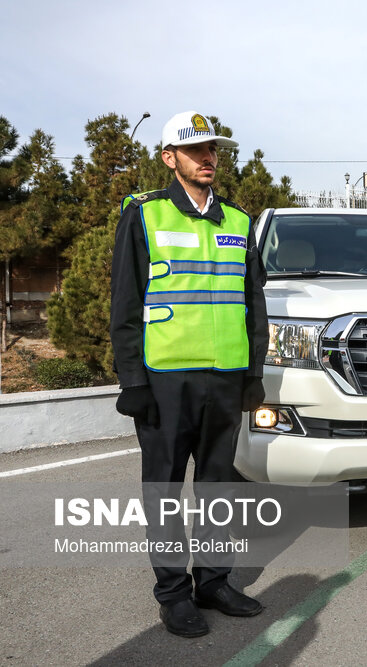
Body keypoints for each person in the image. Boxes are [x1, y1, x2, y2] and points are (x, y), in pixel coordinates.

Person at [110, 111, 269, 638]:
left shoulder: (239, 222)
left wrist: (253, 372)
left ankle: (214, 581)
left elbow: (253, 305)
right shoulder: (145, 215)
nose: (208, 158)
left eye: (213, 149)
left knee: (220, 486)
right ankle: (174, 594)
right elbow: (126, 304)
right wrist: (132, 380)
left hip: (225, 377)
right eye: (195, 149)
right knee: (164, 487)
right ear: (168, 158)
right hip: (164, 380)